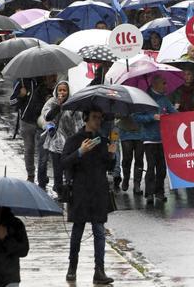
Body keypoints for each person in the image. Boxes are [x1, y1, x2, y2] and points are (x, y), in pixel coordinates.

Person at [62, 109, 116, 284]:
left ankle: (99, 270)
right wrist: (80, 152)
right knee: (77, 231)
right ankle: (72, 267)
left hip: (99, 191)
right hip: (80, 191)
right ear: (86, 119)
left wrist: (112, 154)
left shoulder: (103, 140)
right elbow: (64, 162)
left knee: (99, 232)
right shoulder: (74, 140)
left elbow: (108, 166)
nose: (98, 121)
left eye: (100, 118)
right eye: (94, 118)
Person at [134, 75, 177, 205]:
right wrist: (152, 117)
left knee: (162, 168)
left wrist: (174, 114)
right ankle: (149, 193)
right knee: (151, 166)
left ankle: (159, 192)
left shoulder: (164, 99)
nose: (166, 86)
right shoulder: (144, 99)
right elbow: (136, 117)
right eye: (164, 83)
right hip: (149, 139)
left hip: (163, 139)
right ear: (155, 84)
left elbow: (174, 113)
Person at [40, 81, 83, 201]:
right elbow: (46, 117)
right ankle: (59, 190)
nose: (62, 92)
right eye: (60, 90)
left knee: (69, 168)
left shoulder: (73, 104)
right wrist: (58, 107)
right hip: (56, 141)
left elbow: (79, 122)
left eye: (65, 90)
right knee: (57, 168)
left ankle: (69, 189)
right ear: (56, 91)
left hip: (70, 142)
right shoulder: (52, 102)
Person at [10, 74, 56, 184]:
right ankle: (30, 174)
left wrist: (50, 90)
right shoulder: (22, 81)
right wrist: (21, 95)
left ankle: (42, 177)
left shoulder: (46, 81)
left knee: (44, 150)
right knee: (29, 149)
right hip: (27, 121)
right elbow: (12, 102)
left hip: (42, 121)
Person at [118, 106, 146, 196]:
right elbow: (115, 114)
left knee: (139, 158)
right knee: (127, 158)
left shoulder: (141, 99)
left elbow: (147, 114)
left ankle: (137, 184)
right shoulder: (121, 100)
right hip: (125, 133)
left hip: (140, 133)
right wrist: (124, 112)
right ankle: (126, 178)